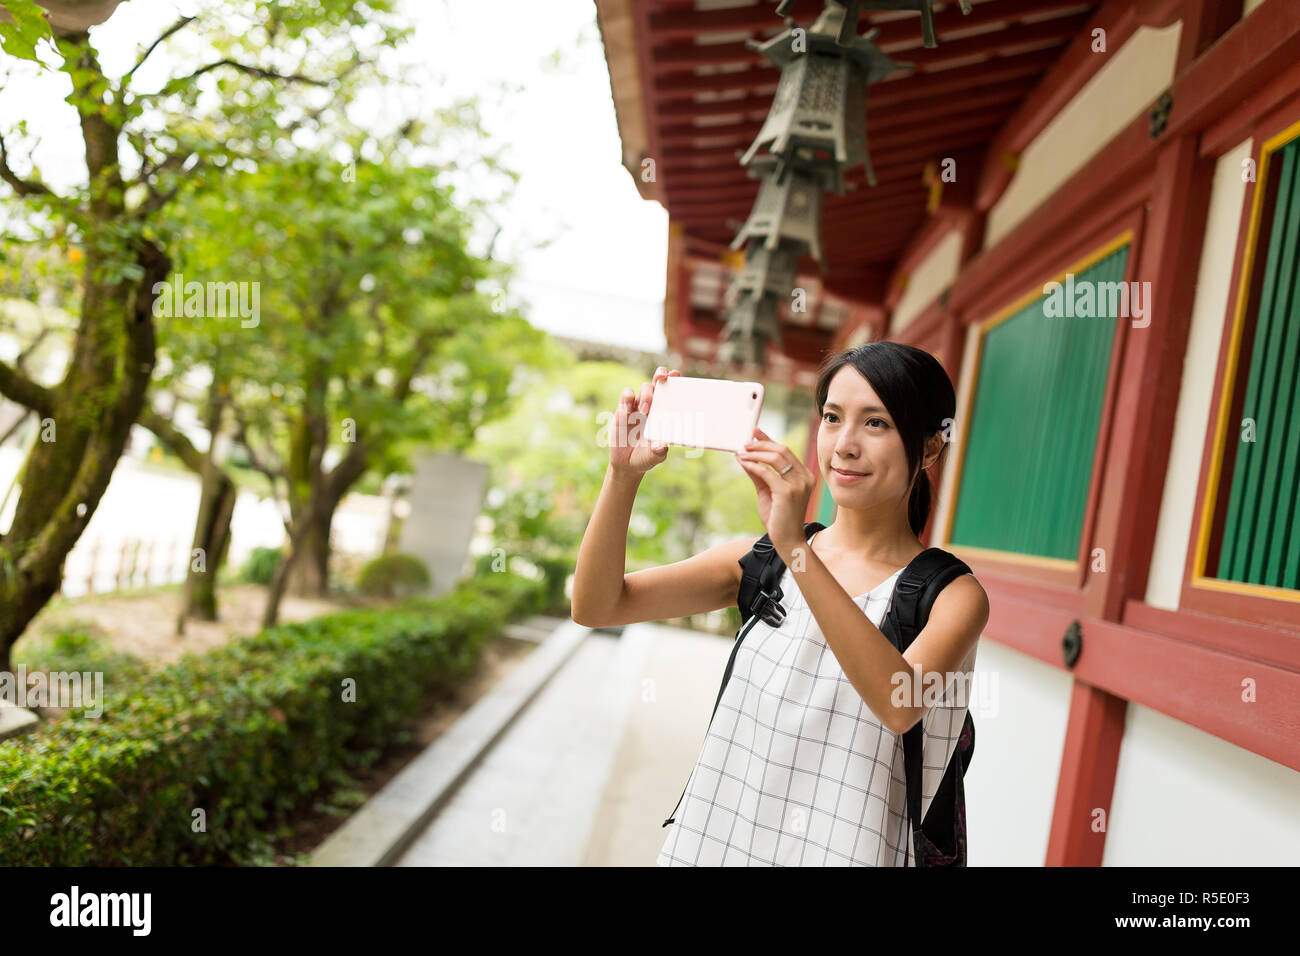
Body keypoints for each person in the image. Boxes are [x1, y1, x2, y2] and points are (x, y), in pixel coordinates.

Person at [571, 343, 989, 866]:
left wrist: (796, 547)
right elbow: (597, 606)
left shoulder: (950, 595)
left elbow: (897, 703)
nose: (845, 445)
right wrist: (622, 476)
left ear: (930, 447)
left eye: (877, 423)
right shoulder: (765, 560)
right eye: (833, 417)